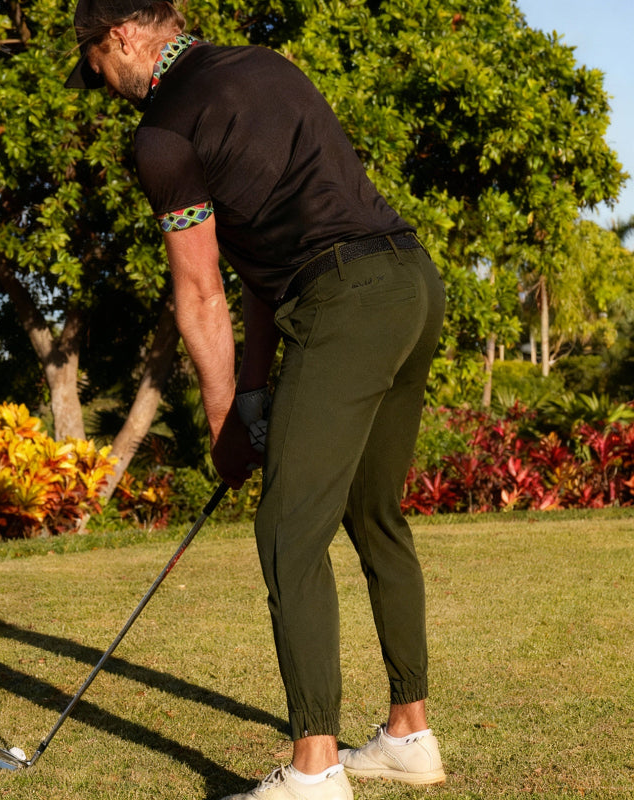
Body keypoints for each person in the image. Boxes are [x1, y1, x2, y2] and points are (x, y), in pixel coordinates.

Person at [66, 1, 447, 797]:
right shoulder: (267, 66)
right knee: (373, 513)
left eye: (98, 70)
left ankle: (315, 771)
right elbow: (262, 276)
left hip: (344, 304)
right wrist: (254, 395)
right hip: (410, 284)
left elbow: (200, 292)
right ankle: (409, 737)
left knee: (285, 531)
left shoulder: (164, 131)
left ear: (122, 37)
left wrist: (220, 423)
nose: (106, 89)